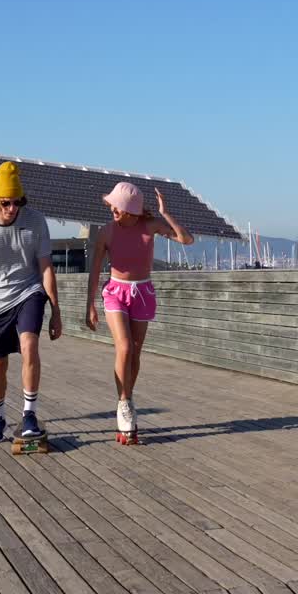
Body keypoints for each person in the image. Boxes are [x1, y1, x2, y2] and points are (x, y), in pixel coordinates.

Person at [0, 162, 63, 443]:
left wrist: (56, 311)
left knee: (30, 344)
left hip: (28, 292)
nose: (11, 209)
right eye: (5, 203)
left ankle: (29, 414)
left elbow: (45, 268)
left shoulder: (36, 221)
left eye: (16, 202)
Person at [86, 181, 194, 444]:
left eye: (118, 207)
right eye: (112, 205)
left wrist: (165, 213)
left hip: (143, 292)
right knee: (123, 348)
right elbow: (95, 269)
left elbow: (186, 239)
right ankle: (124, 403)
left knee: (135, 350)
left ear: (131, 211)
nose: (112, 209)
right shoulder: (106, 232)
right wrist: (89, 304)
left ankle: (129, 398)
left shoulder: (151, 226)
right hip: (116, 291)